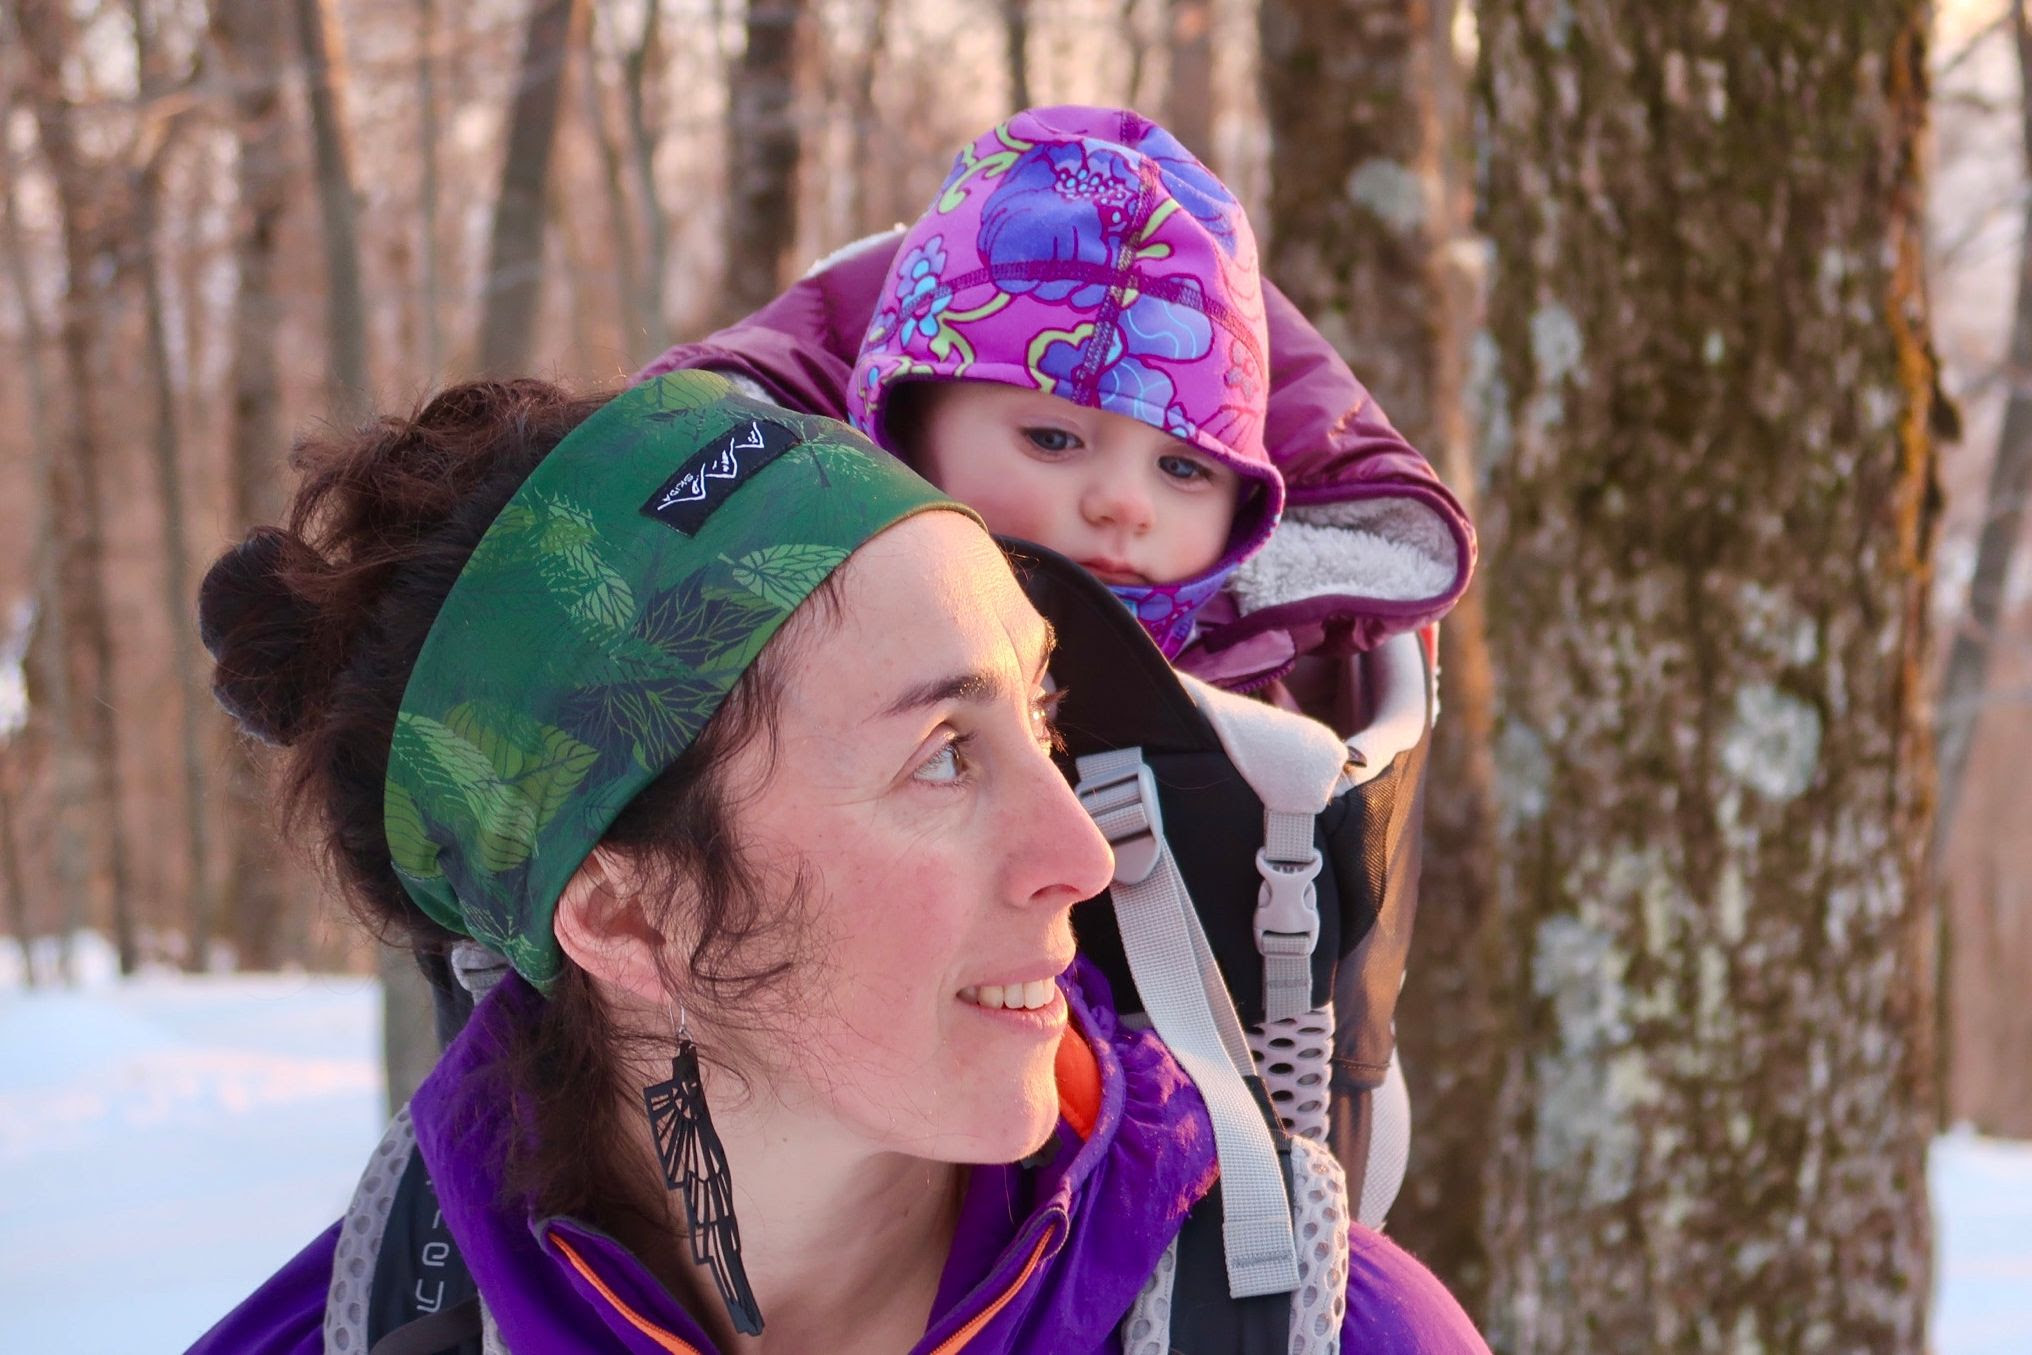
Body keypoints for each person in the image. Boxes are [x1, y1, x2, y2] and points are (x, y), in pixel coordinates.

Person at [188, 372, 1488, 1353]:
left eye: (1038, 716)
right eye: (941, 754)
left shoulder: (1325, 1327)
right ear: (634, 912)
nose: (1081, 851)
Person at [638, 105, 1476, 705]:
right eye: (1052, 438)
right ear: (905, 428)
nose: (1124, 503)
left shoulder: (1259, 677)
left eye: (1183, 465)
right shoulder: (794, 658)